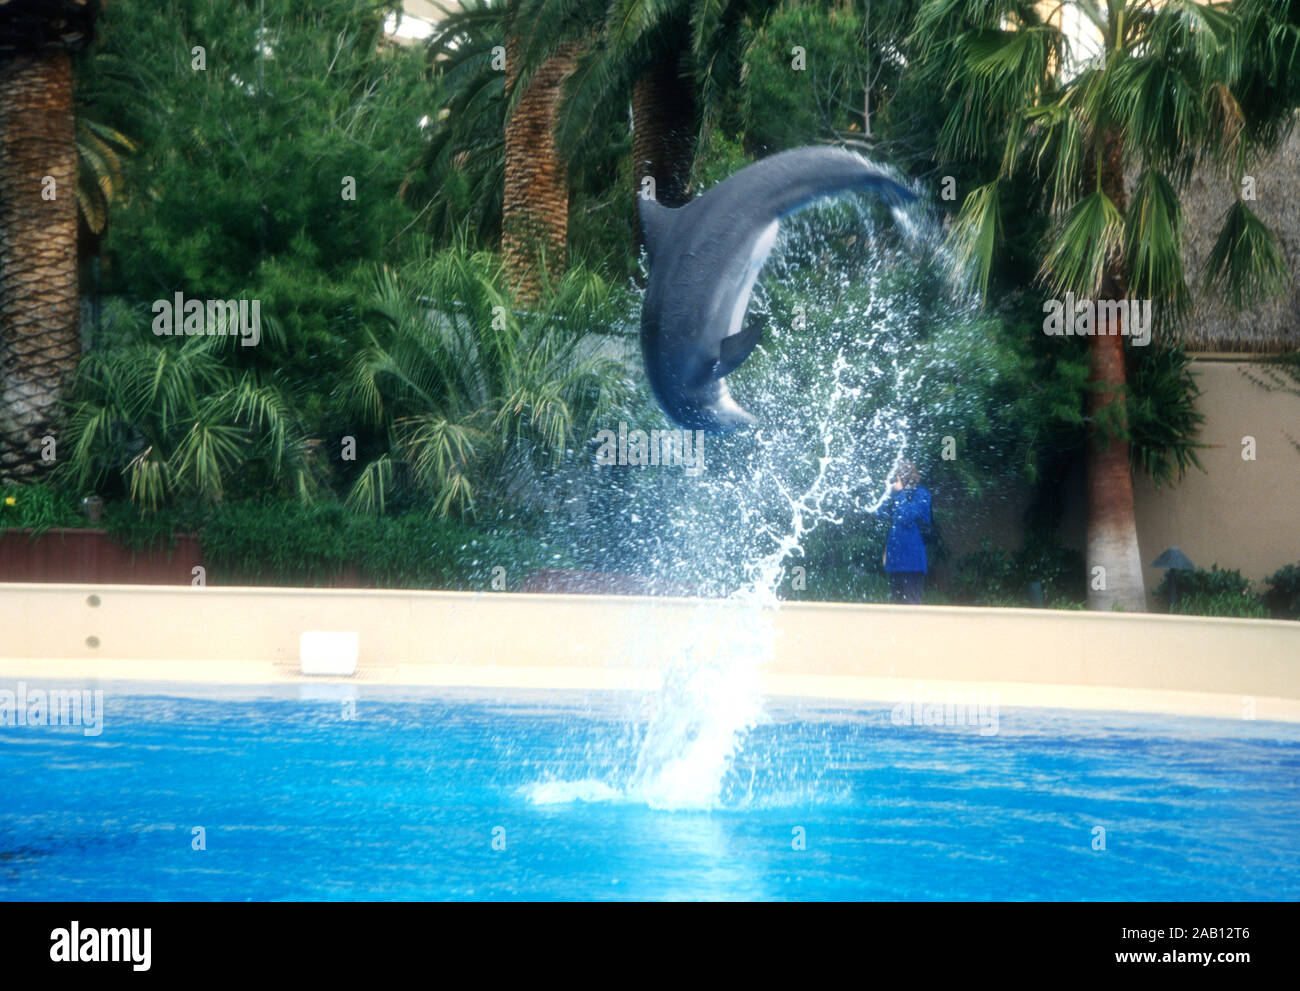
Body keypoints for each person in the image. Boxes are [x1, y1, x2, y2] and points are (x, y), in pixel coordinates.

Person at [875, 460, 931, 605]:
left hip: (913, 561)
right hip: (896, 559)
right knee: (896, 606)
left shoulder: (922, 495)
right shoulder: (896, 494)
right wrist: (888, 492)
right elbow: (879, 513)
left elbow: (907, 517)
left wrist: (899, 493)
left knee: (912, 605)